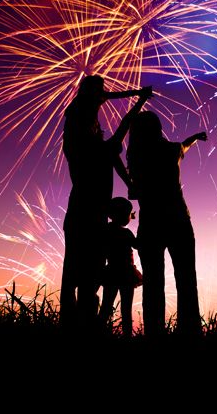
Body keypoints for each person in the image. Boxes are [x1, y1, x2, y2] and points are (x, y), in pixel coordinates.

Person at [60, 75, 152, 328]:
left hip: (88, 213)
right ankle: (80, 324)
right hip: (86, 214)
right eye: (98, 95)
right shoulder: (89, 145)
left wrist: (130, 183)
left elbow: (115, 157)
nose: (101, 102)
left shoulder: (91, 143)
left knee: (83, 272)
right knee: (82, 273)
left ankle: (80, 323)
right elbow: (121, 131)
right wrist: (138, 101)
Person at [127, 111, 206, 336]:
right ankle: (190, 331)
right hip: (179, 219)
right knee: (186, 278)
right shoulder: (172, 150)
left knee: (152, 282)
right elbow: (183, 146)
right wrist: (194, 137)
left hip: (151, 222)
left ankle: (154, 332)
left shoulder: (135, 157)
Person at [99, 197, 143, 337]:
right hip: (126, 274)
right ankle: (127, 336)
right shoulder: (126, 233)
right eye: (127, 213)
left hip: (111, 272)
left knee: (106, 306)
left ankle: (97, 332)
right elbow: (137, 245)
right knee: (126, 308)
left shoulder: (106, 231)